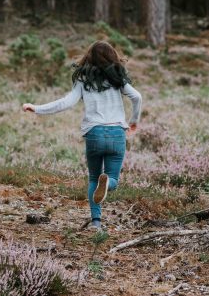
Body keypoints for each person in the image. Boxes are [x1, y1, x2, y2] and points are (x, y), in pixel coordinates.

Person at [22, 41, 142, 230]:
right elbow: (137, 97)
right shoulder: (118, 78)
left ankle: (96, 222)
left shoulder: (84, 79)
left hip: (94, 133)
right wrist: (134, 121)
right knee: (113, 180)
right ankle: (108, 183)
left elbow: (66, 103)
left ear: (89, 57)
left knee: (94, 178)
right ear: (113, 56)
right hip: (117, 132)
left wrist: (36, 108)